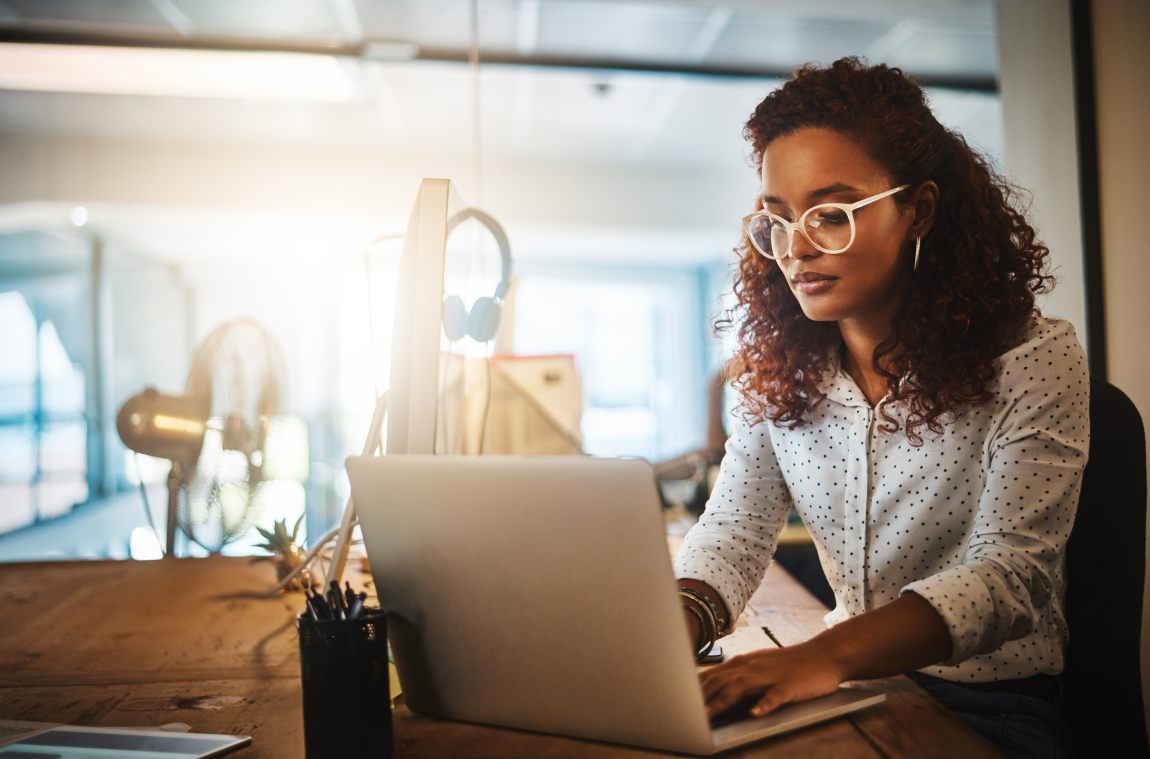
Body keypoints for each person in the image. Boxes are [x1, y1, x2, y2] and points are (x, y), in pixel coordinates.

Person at [673, 57, 1087, 759]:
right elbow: (736, 533)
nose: (796, 248)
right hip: (856, 689)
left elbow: (1010, 576)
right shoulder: (775, 376)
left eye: (831, 214)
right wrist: (674, 624)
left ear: (918, 209)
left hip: (993, 708)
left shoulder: (1031, 359)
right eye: (776, 220)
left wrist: (822, 656)